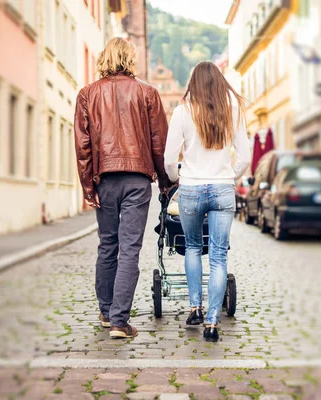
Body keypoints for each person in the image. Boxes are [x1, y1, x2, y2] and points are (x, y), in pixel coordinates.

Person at [74, 37, 172, 339]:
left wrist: (88, 187)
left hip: (104, 178)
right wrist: (166, 183)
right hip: (137, 179)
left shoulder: (87, 95)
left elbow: (84, 146)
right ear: (131, 60)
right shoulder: (148, 93)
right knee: (129, 248)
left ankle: (106, 312)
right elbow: (160, 144)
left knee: (107, 244)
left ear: (104, 59)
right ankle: (119, 321)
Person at [164, 61, 251, 342]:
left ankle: (195, 308)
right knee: (218, 256)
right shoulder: (233, 110)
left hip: (190, 187)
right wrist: (230, 177)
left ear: (194, 83)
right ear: (219, 82)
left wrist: (177, 178)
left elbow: (169, 159)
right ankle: (212, 323)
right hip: (223, 188)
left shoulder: (182, 112)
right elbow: (245, 157)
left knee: (191, 246)